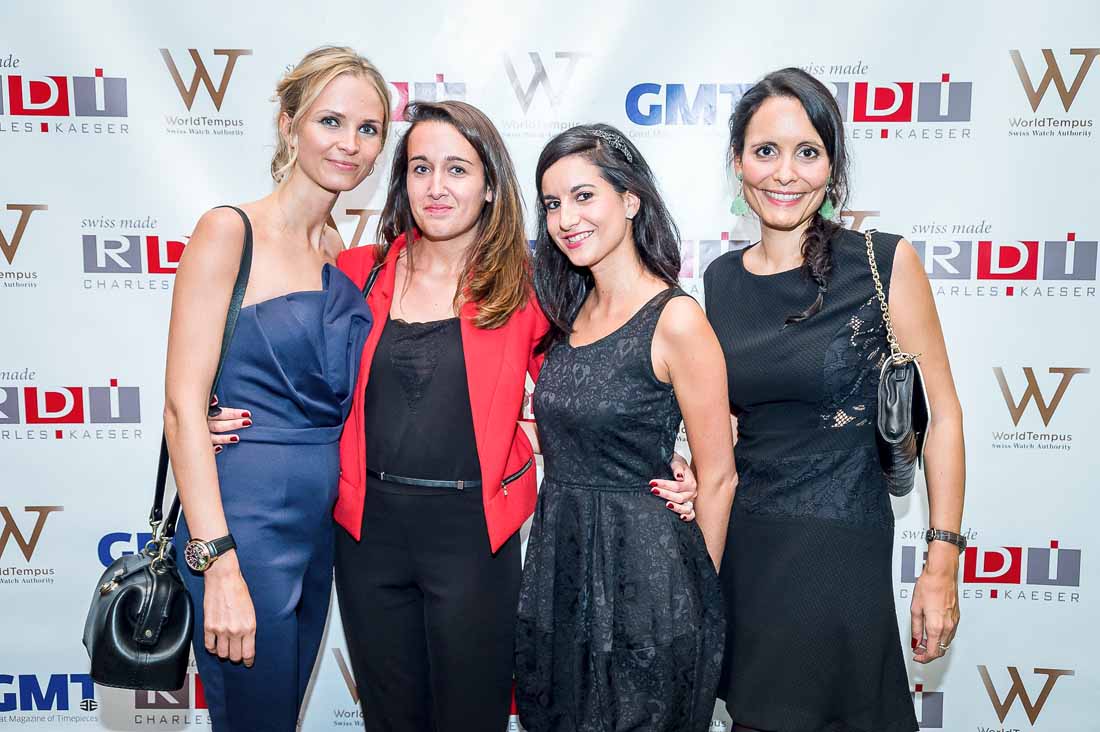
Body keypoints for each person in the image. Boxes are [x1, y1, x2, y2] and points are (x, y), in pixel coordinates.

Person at [209, 101, 698, 732]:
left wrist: (663, 453)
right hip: (367, 538)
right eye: (421, 168)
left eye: (457, 169)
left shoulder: (527, 284)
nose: (436, 186)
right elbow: (287, 363)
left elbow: (593, 381)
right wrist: (218, 413)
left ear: (490, 185)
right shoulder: (357, 271)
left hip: (474, 539)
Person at [704, 67, 966, 732]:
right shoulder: (720, 281)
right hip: (751, 547)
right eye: (766, 151)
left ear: (832, 166)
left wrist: (942, 559)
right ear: (738, 162)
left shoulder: (881, 263)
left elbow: (942, 417)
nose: (785, 173)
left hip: (841, 544)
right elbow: (730, 424)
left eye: (807, 152)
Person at [163, 46, 389, 730]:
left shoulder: (338, 252)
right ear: (289, 125)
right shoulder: (229, 231)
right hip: (244, 523)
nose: (349, 144)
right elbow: (182, 408)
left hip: (319, 527)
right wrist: (218, 563)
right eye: (330, 121)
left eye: (368, 129)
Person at [514, 124, 737, 732]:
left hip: (648, 580)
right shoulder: (566, 310)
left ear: (631, 200)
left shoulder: (676, 319)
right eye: (553, 204)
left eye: (584, 196)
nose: (566, 219)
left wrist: (693, 598)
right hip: (562, 568)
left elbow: (718, 478)